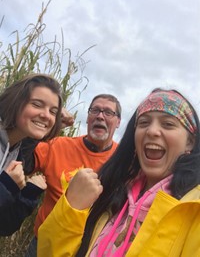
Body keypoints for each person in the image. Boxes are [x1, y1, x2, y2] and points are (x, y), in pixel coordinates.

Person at [37, 88, 200, 257]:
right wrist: (71, 207)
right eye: (144, 123)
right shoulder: (111, 190)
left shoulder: (193, 210)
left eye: (168, 124)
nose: (152, 131)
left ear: (190, 142)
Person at [25, 93, 121, 256]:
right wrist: (50, 126)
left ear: (118, 122)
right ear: (87, 118)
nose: (100, 116)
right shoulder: (57, 145)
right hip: (44, 245)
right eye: (94, 110)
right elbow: (21, 160)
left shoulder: (124, 160)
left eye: (108, 112)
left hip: (90, 250)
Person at [0, 73, 63, 236]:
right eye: (37, 104)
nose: (46, 115)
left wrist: (28, 194)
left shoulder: (16, 153)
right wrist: (6, 185)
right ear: (15, 102)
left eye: (53, 111)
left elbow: (5, 226)